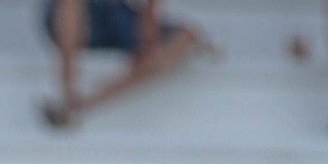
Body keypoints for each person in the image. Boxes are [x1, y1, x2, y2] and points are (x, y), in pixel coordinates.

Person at [40, 0, 208, 127]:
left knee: (185, 37)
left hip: (118, 16)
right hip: (72, 17)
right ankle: (67, 90)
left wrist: (148, 34)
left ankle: (84, 103)